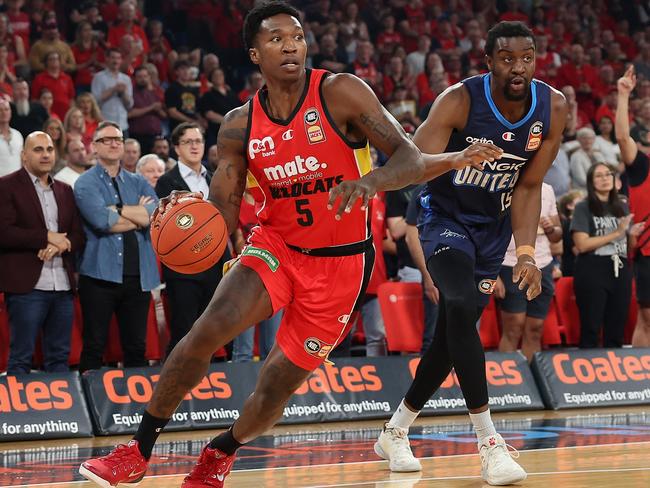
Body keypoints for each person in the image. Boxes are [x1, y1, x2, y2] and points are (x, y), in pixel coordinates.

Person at [79, 2, 425, 486]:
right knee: (206, 329)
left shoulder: (341, 92)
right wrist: (187, 213)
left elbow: (410, 158)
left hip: (341, 266)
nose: (290, 45)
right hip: (276, 246)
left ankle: (222, 451)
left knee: (275, 389)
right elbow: (221, 212)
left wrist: (372, 182)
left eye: (297, 36)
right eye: (276, 38)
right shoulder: (240, 124)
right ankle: (136, 449)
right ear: (254, 54)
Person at [375, 21, 566, 486]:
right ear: (488, 61)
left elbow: (528, 185)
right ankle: (489, 443)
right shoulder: (459, 101)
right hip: (444, 219)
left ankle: (395, 430)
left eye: (526, 57)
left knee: (453, 333)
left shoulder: (553, 106)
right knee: (459, 306)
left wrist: (524, 253)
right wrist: (458, 158)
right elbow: (410, 164)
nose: (517, 67)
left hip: (494, 231)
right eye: (506, 58)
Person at [73, 121, 159, 373]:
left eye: (118, 140)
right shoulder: (85, 183)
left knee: (136, 347)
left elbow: (153, 215)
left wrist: (118, 210)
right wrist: (138, 214)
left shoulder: (138, 181)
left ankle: (135, 407)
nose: (113, 144)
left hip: (138, 277)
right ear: (94, 147)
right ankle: (91, 408)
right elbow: (101, 221)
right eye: (106, 140)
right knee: (94, 346)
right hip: (99, 276)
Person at [0, 131, 84, 374]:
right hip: (27, 288)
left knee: (60, 358)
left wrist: (61, 244)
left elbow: (78, 235)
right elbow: (4, 232)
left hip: (63, 288)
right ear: (24, 155)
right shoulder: (6, 186)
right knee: (21, 358)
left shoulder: (66, 190)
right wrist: (46, 236)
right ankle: (19, 413)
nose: (45, 154)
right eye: (38, 150)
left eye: (49, 149)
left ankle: (62, 412)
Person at [154, 122, 230, 356]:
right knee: (184, 332)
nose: (194, 146)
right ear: (176, 148)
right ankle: (176, 383)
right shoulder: (167, 181)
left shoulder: (215, 177)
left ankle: (214, 381)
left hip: (216, 262)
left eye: (198, 141)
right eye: (188, 142)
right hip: (183, 268)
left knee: (216, 332)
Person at [571, 163, 642, 348]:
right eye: (599, 176)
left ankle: (613, 372)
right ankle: (588, 372)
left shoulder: (622, 207)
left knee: (616, 329)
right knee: (591, 329)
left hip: (620, 269)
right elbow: (582, 244)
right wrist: (617, 233)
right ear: (591, 182)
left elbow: (629, 246)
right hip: (592, 268)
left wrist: (632, 234)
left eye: (608, 174)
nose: (604, 179)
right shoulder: (583, 207)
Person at [497, 182, 562, 361]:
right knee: (513, 326)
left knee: (536, 328)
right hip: (510, 263)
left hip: (543, 263)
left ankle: (534, 379)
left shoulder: (547, 189)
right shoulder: (503, 184)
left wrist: (550, 228)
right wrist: (493, 274)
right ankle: (507, 377)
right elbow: (488, 232)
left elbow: (557, 235)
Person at [614, 65, 650, 347]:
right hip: (647, 251)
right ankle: (643, 378)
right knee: (647, 318)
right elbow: (624, 138)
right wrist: (624, 95)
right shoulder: (642, 166)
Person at [91, 48, 133, 135]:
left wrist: (123, 93)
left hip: (123, 125)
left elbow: (130, 105)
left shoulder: (126, 79)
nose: (116, 61)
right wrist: (114, 89)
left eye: (118, 58)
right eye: (113, 58)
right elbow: (95, 101)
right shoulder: (99, 77)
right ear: (107, 59)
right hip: (106, 124)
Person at [128, 66, 166, 155]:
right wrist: (151, 108)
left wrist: (159, 110)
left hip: (156, 135)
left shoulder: (156, 92)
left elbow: (165, 115)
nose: (143, 79)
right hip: (138, 135)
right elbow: (129, 114)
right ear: (134, 78)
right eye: (140, 77)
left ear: (149, 77)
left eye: (145, 76)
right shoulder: (131, 93)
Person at [30, 51, 76, 120]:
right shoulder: (39, 78)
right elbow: (34, 99)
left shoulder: (67, 78)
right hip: (46, 116)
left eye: (56, 59)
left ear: (60, 61)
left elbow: (71, 99)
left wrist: (72, 113)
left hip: (65, 115)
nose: (54, 61)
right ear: (46, 62)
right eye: (51, 59)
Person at [0, 98, 24, 177]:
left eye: (6, 109)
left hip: (17, 183)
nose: (4, 113)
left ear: (10, 112)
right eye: (0, 110)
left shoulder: (18, 135)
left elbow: (22, 161)